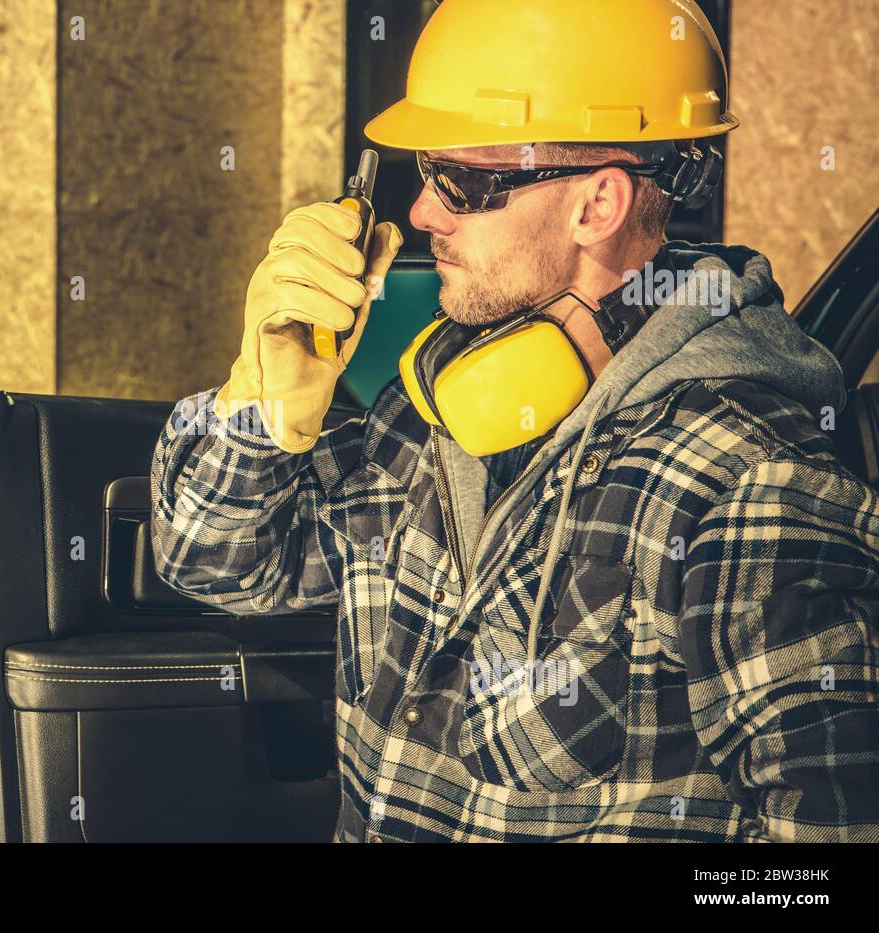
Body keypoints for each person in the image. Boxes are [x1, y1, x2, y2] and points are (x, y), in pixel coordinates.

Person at [149, 0, 879, 841]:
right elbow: (216, 569)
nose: (422, 213)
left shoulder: (745, 482)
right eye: (426, 171)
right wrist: (261, 406)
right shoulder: (428, 407)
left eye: (461, 181)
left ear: (596, 205)